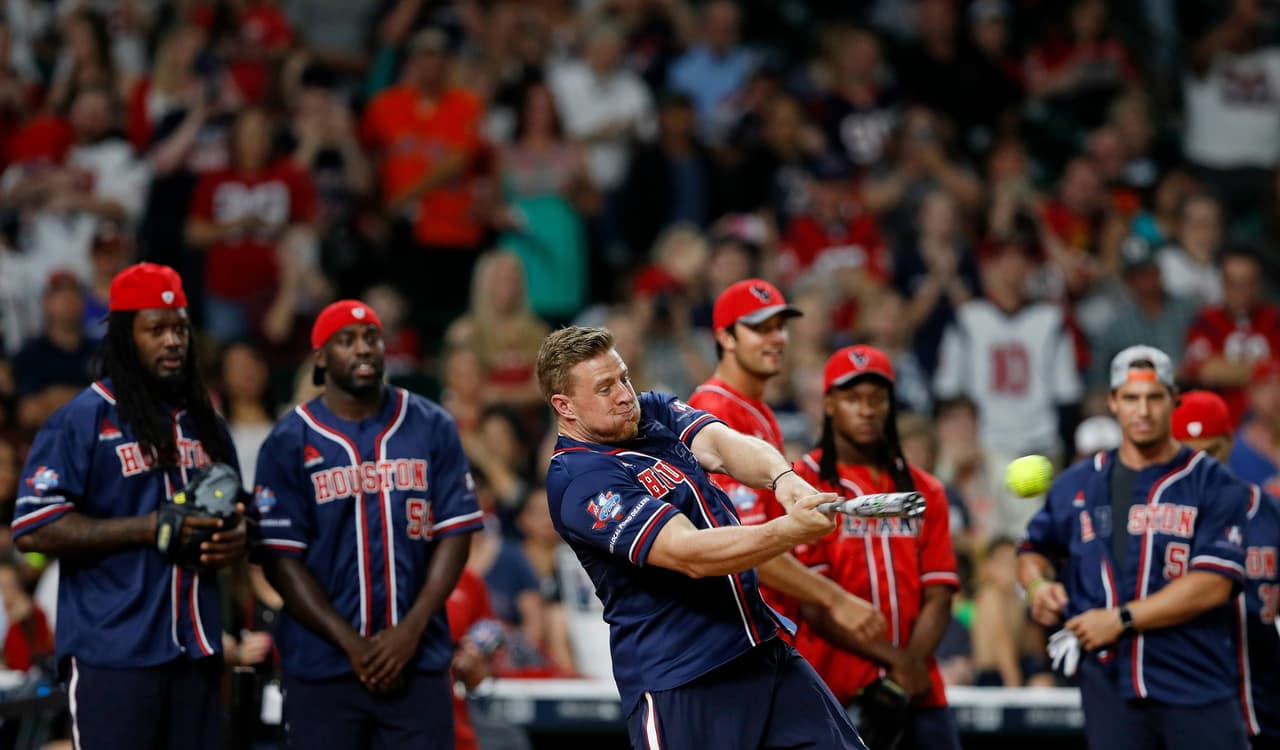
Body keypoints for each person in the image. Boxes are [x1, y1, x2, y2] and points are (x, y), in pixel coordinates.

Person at [538, 326, 868, 750]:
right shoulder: (580, 480)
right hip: (683, 679)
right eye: (605, 388)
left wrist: (784, 480)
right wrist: (790, 529)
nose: (624, 395)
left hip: (759, 649)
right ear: (564, 406)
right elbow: (690, 554)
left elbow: (723, 446)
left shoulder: (650, 411)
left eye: (624, 377)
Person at [12, 262, 247, 749]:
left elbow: (235, 513)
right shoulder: (82, 418)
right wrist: (147, 527)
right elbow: (34, 527)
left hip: (196, 651)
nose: (173, 341)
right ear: (124, 336)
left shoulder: (206, 422)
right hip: (114, 652)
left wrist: (236, 539)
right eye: (156, 330)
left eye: (180, 328)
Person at [254, 299, 483, 748]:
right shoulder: (288, 438)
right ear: (321, 357)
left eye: (371, 338)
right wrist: (352, 644)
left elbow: (455, 533)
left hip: (418, 660)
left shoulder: (431, 424)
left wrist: (410, 631)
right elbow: (280, 560)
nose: (363, 348)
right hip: (322, 666)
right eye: (347, 340)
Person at [1017, 345, 1250, 750]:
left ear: (1173, 400)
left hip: (1194, 677)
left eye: (1154, 397)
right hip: (1109, 685)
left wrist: (1120, 619)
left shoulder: (1213, 482)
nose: (1143, 411)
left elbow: (1213, 584)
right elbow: (1032, 549)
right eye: (1130, 398)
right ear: (1112, 402)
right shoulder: (1078, 482)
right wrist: (1038, 586)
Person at [688, 278, 883, 640]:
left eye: (779, 327)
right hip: (736, 628)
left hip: (765, 620)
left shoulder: (757, 409)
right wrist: (834, 598)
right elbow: (744, 541)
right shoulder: (715, 411)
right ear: (726, 338)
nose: (776, 338)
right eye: (760, 329)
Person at [791, 345, 962, 749]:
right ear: (829, 404)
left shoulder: (924, 488)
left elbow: (939, 592)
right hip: (832, 685)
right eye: (853, 399)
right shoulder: (801, 482)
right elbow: (813, 603)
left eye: (876, 399)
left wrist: (908, 668)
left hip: (918, 684)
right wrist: (897, 660)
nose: (866, 410)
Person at [1170, 390, 1280, 749]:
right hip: (1189, 713)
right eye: (1189, 454)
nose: (1202, 466)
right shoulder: (1158, 524)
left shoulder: (1270, 513)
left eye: (1211, 452)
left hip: (1267, 704)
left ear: (1230, 444)